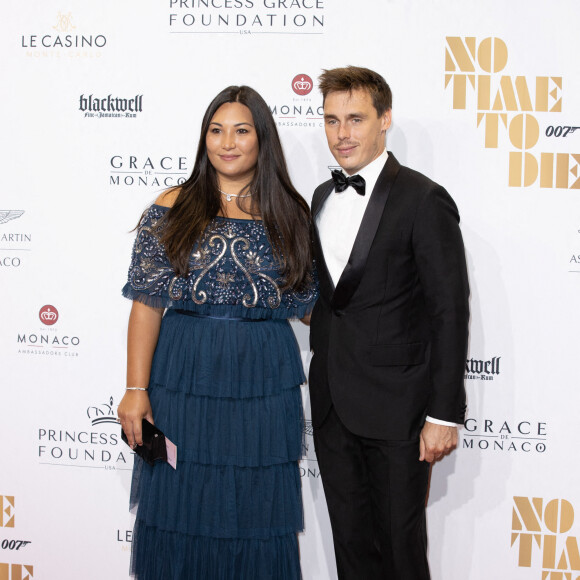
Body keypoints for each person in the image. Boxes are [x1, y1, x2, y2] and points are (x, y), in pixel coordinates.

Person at [117, 85, 317, 580]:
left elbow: (312, 308)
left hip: (263, 383)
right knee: (180, 506)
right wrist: (135, 390)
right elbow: (146, 304)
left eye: (242, 130)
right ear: (204, 137)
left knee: (257, 510)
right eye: (216, 129)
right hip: (184, 376)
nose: (227, 142)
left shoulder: (290, 211)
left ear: (262, 139)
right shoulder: (173, 204)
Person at [308, 66, 470, 580]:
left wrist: (444, 413)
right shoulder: (320, 197)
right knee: (351, 550)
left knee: (401, 553)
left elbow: (449, 310)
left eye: (355, 118)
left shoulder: (423, 199)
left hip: (398, 410)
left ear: (386, 120)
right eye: (332, 120)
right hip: (333, 403)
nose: (342, 134)